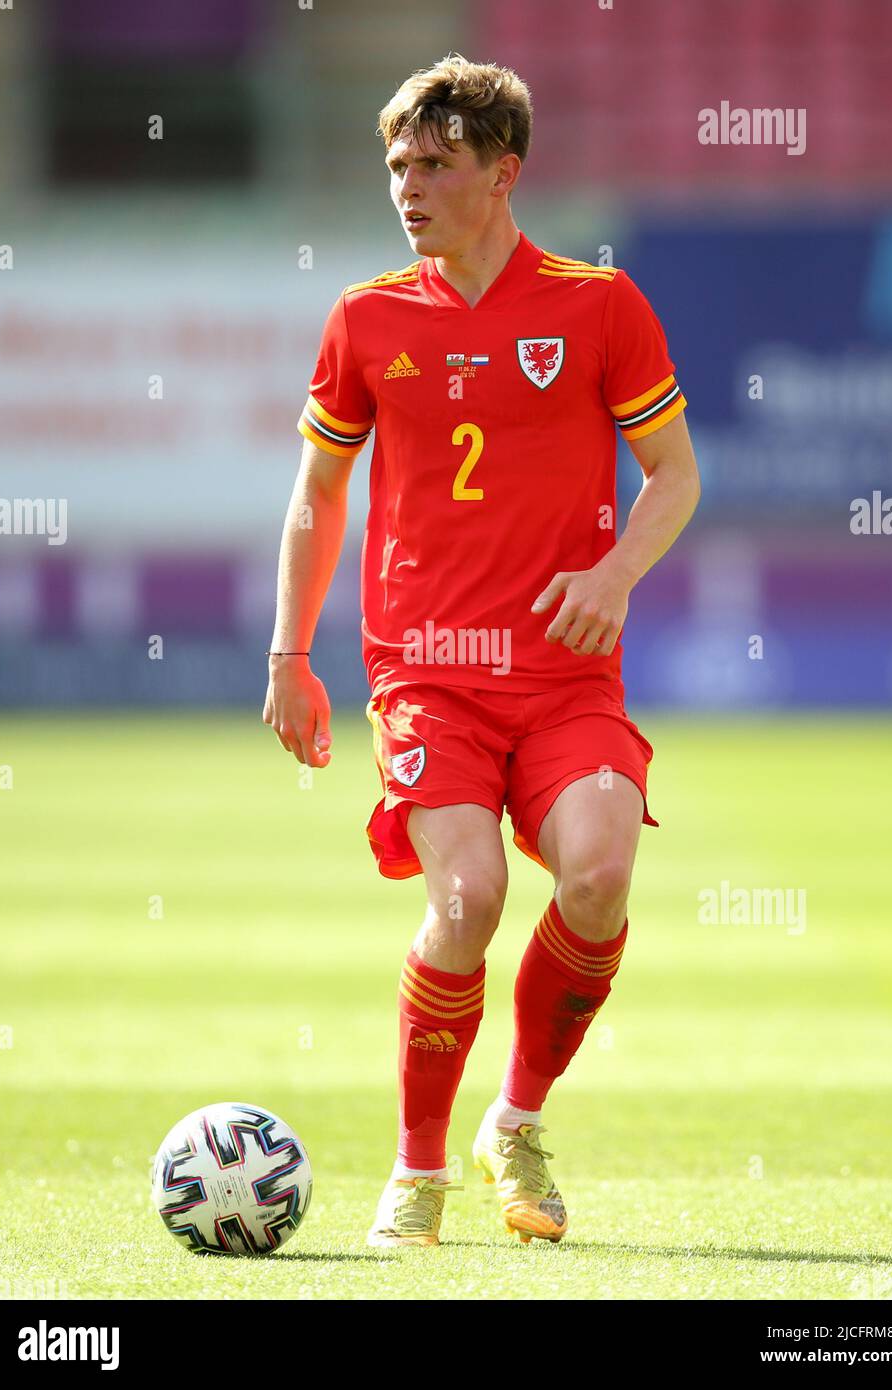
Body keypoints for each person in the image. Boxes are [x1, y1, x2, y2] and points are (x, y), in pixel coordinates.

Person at [264, 54, 700, 1247]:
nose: (408, 187)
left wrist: (612, 575)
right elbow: (317, 492)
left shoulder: (597, 307)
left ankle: (511, 1117)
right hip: (428, 675)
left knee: (600, 876)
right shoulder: (364, 318)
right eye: (397, 164)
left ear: (502, 174)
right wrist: (287, 656)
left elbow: (673, 478)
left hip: (563, 677)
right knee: (467, 897)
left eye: (435, 165)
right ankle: (415, 1174)